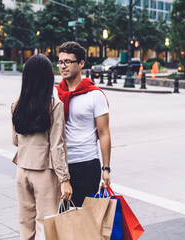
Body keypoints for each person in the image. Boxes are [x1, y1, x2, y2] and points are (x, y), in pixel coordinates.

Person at [12, 54, 72, 240]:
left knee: (26, 223)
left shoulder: (17, 105)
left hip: (22, 170)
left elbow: (15, 140)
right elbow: (57, 146)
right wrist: (65, 179)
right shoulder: (54, 106)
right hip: (45, 172)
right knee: (45, 225)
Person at [55, 41, 111, 207]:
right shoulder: (55, 93)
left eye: (68, 62)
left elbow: (104, 133)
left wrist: (106, 169)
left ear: (81, 64)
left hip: (86, 164)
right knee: (61, 220)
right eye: (60, 62)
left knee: (84, 221)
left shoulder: (94, 95)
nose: (63, 66)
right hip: (61, 166)